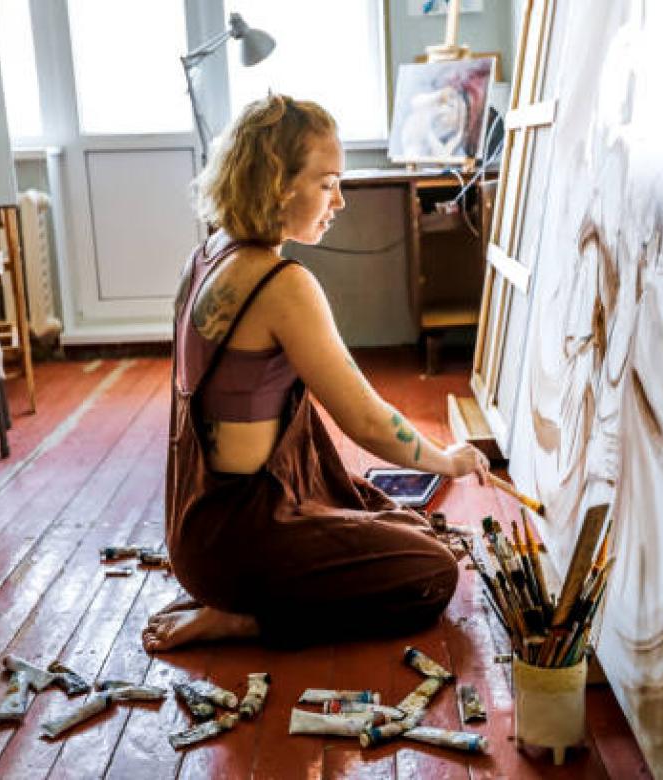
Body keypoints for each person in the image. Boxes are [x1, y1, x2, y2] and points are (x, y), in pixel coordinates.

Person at [142, 94, 490, 653]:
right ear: (278, 183)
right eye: (328, 183)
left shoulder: (206, 254)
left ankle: (243, 597)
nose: (341, 201)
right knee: (432, 573)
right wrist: (447, 459)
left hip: (197, 527)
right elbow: (368, 421)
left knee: (411, 527)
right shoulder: (282, 284)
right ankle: (247, 620)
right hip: (238, 540)